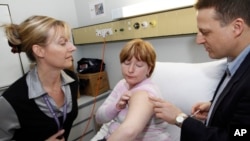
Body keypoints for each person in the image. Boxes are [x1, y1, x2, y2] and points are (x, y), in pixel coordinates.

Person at [149, 0, 250, 141]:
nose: (199, 40)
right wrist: (216, 106)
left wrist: (180, 119)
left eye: (205, 32)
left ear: (237, 27)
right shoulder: (235, 62)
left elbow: (236, 136)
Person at [0, 15, 78, 141]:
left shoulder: (72, 80)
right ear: (39, 51)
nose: (73, 48)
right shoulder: (12, 100)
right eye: (63, 43)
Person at [95, 39, 171, 141]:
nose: (130, 70)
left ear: (149, 69)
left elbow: (129, 131)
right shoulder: (122, 84)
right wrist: (116, 106)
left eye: (138, 65)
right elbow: (99, 118)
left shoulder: (146, 93)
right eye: (126, 63)